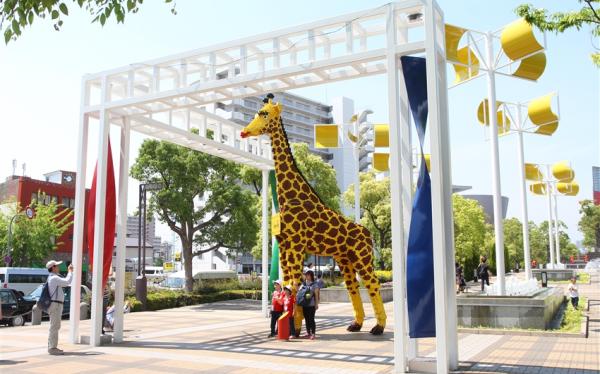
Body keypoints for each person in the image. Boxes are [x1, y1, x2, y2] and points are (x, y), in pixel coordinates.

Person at [46, 260, 73, 355]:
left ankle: (52, 346)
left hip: (55, 304)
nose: (58, 267)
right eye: (57, 265)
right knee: (54, 326)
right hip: (55, 304)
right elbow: (67, 282)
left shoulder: (53, 277)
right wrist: (70, 271)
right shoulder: (54, 278)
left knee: (55, 326)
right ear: (53, 267)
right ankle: (52, 348)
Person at [301, 270, 319, 340]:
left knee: (311, 319)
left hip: (311, 305)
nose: (307, 276)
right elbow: (300, 292)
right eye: (306, 275)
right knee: (306, 319)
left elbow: (316, 295)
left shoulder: (314, 284)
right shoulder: (303, 284)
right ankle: (308, 332)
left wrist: (316, 304)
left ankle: (313, 333)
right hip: (304, 304)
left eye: (308, 275)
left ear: (311, 276)